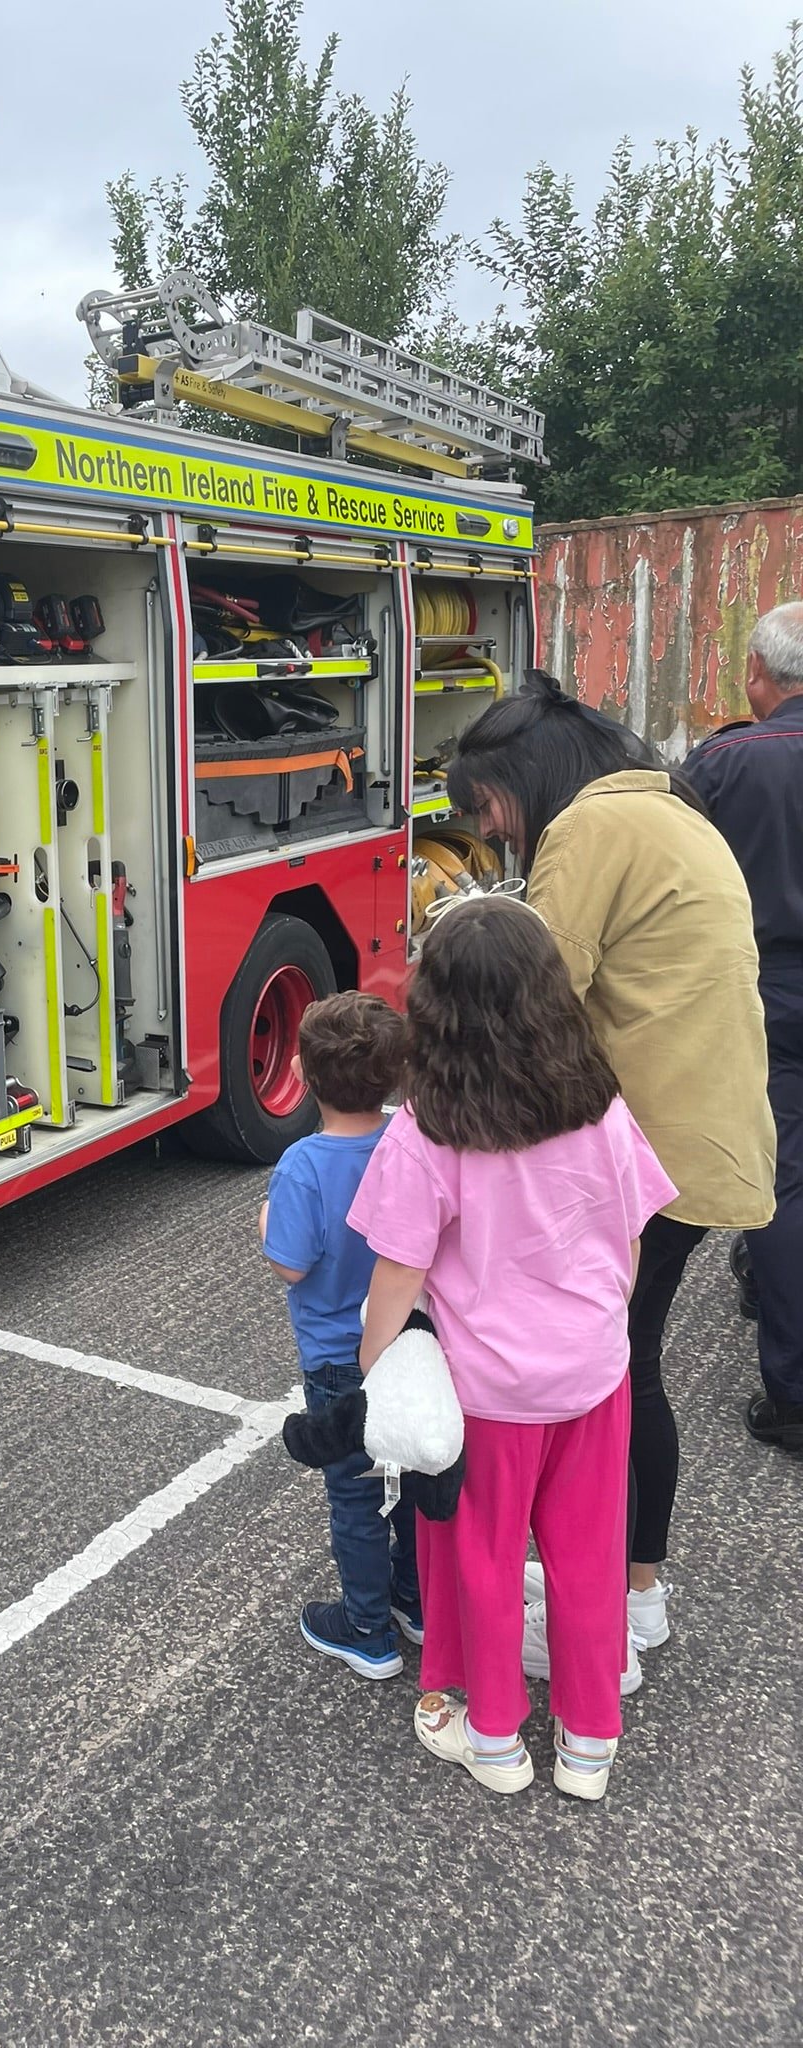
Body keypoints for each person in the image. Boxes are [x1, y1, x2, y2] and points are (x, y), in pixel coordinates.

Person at [445, 674, 774, 1678]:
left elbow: (533, 1004)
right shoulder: (659, 798)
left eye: (486, 812)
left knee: (608, 1375)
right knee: (629, 1359)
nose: (490, 836)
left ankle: (613, 1616)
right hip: (701, 1127)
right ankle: (639, 1590)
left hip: (655, 1150)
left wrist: (437, 1120)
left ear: (520, 780)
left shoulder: (588, 831)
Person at [349, 898, 677, 1800]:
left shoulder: (429, 1127)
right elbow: (633, 1234)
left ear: (436, 1005)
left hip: (487, 1390)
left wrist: (370, 1373)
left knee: (482, 1559)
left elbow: (398, 1274)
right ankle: (589, 1740)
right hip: (591, 1373)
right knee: (585, 1552)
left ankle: (494, 1736)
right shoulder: (598, 1103)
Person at [259, 991, 417, 1679]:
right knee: (410, 1482)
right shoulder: (408, 1138)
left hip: (336, 1361)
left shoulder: (303, 1166)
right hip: (409, 1347)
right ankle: (416, 1601)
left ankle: (366, 1627)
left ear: (301, 1071)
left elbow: (291, 1263)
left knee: (354, 1494)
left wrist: (267, 1222)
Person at [684, 603, 803, 1453]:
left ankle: (793, 1391)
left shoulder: (727, 761)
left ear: (760, 675)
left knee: (782, 1179)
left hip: (771, 993)